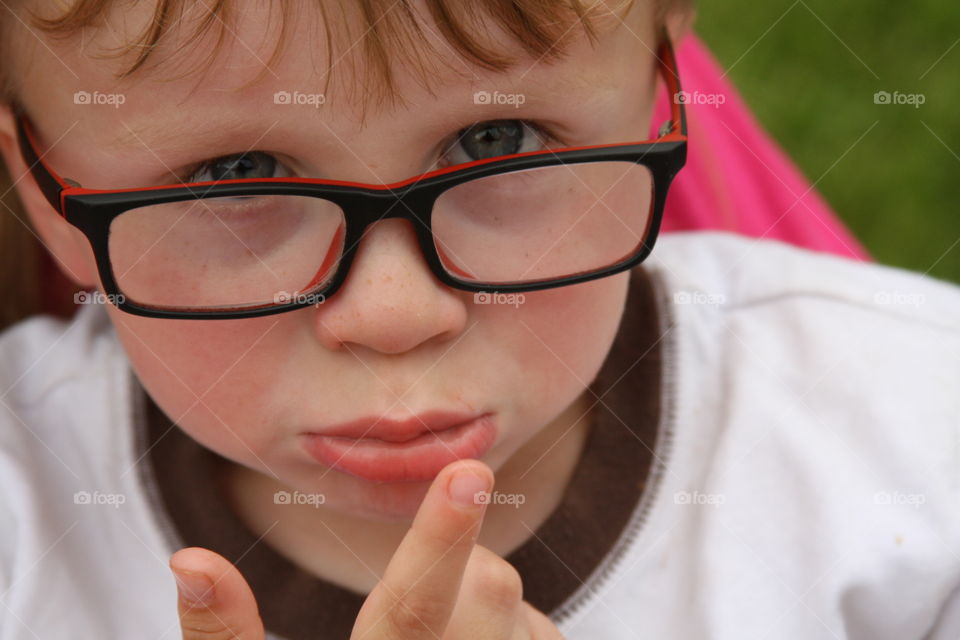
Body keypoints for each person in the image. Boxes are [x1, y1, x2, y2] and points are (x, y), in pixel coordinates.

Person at [0, 1, 957, 638]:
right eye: (236, 175)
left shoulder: (917, 439)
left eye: (496, 141)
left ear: (660, 84)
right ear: (45, 197)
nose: (395, 315)